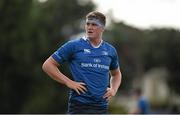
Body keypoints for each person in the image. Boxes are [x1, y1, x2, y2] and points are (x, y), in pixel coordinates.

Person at [42, 11, 122, 114]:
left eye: (94, 24)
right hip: (79, 106)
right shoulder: (73, 45)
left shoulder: (110, 50)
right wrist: (69, 82)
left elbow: (116, 74)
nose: (89, 27)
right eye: (87, 24)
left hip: (101, 107)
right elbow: (48, 65)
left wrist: (113, 89)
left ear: (102, 28)